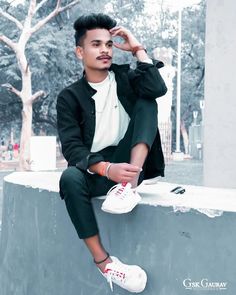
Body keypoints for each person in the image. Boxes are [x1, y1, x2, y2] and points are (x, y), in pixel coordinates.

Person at [57, 13, 167, 293]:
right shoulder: (69, 97)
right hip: (99, 169)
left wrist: (137, 48)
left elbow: (157, 87)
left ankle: (129, 185)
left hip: (132, 162)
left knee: (147, 100)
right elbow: (72, 148)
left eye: (109, 44)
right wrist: (106, 169)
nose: (105, 50)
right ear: (80, 51)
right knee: (69, 178)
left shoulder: (126, 78)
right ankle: (104, 263)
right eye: (96, 44)